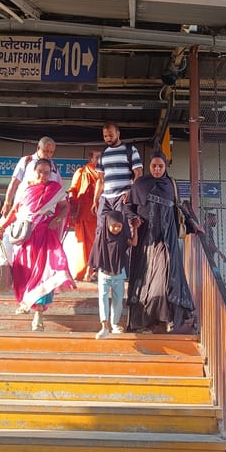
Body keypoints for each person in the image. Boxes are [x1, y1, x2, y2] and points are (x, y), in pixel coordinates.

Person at [0, 157, 75, 331]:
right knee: (22, 272)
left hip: (46, 235)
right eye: (40, 172)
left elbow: (64, 207)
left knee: (44, 273)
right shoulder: (25, 189)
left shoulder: (55, 189)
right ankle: (25, 302)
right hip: (25, 238)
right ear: (34, 171)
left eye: (47, 172)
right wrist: (2, 226)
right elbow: (15, 211)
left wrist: (59, 218)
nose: (43, 175)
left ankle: (38, 314)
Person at [125, 151, 199, 334]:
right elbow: (128, 206)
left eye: (160, 166)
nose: (157, 169)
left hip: (167, 240)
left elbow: (179, 207)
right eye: (153, 166)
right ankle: (144, 322)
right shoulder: (140, 184)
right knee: (145, 278)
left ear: (165, 167)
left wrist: (193, 223)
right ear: (148, 166)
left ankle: (167, 318)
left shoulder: (171, 184)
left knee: (166, 278)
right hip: (145, 241)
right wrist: (134, 217)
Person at [88, 211, 137, 339]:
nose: (116, 229)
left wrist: (135, 229)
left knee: (118, 299)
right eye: (114, 225)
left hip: (119, 274)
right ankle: (104, 325)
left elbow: (134, 243)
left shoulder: (123, 237)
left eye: (119, 226)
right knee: (103, 298)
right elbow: (93, 254)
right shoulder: (101, 237)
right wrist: (89, 271)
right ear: (107, 224)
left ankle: (115, 324)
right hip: (104, 274)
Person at [92, 123, 143, 231]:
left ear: (118, 134)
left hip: (122, 198)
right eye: (105, 136)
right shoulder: (103, 154)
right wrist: (95, 200)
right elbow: (100, 180)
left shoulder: (130, 150)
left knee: (123, 230)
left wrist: (130, 193)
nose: (108, 138)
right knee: (101, 230)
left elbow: (138, 173)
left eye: (111, 135)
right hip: (105, 199)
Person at [0, 137, 62, 217]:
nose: (48, 155)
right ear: (38, 148)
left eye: (51, 152)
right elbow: (14, 183)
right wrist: (7, 203)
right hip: (24, 208)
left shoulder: (54, 166)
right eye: (46, 151)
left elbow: (59, 189)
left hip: (45, 212)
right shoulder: (26, 160)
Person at [68, 148, 101, 281]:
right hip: (84, 213)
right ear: (90, 159)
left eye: (101, 157)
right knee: (83, 244)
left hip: (98, 213)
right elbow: (73, 189)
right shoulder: (82, 172)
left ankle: (91, 270)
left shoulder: (103, 173)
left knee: (95, 243)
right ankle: (83, 271)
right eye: (97, 157)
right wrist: (70, 207)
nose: (99, 160)